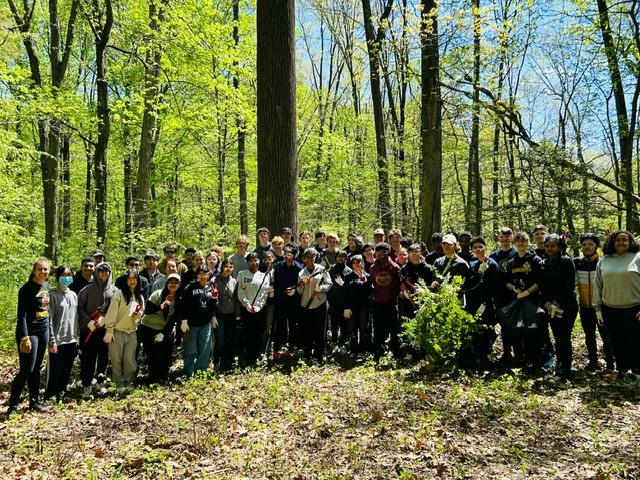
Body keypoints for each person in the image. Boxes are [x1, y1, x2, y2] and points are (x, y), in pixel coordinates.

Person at [594, 230, 640, 385]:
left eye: (625, 240)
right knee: (617, 342)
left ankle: (636, 373)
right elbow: (598, 286)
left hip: (634, 309)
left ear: (631, 242)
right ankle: (622, 371)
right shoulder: (604, 260)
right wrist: (598, 310)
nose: (621, 242)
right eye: (617, 240)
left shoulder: (638, 257)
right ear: (612, 242)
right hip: (610, 309)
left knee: (635, 342)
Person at [7, 259, 52, 414]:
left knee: (37, 368)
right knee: (27, 369)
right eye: (40, 269)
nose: (43, 272)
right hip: (30, 333)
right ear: (34, 270)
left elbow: (46, 311)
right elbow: (22, 316)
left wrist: (49, 332)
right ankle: (12, 406)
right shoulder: (26, 289)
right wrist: (24, 337)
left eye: (46, 269)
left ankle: (34, 402)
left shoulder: (45, 286)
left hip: (43, 331)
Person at [540, 234, 578, 382]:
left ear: (559, 247)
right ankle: (561, 368)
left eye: (553, 246)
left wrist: (556, 303)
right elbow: (541, 287)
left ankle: (564, 371)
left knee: (563, 338)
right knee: (557, 338)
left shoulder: (567, 262)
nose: (550, 249)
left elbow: (569, 285)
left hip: (566, 306)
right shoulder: (542, 263)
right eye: (547, 246)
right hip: (549, 307)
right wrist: (547, 304)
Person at [574, 233, 615, 371]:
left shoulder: (604, 262)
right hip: (585, 306)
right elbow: (561, 261)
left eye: (591, 244)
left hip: (602, 307)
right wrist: (563, 245)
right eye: (584, 244)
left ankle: (610, 364)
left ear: (596, 246)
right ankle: (593, 362)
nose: (587, 247)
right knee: (589, 337)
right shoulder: (577, 262)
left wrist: (610, 241)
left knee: (607, 337)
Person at [77, 262, 118, 398]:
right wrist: (87, 321)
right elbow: (79, 308)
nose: (104, 273)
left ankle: (100, 383)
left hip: (106, 331)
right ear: (97, 272)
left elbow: (117, 310)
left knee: (103, 359)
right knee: (88, 359)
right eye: (101, 270)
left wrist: (105, 318)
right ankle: (87, 385)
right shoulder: (87, 290)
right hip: (89, 331)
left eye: (107, 270)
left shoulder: (115, 291)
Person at [504, 231, 543, 371]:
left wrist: (527, 292)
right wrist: (514, 290)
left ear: (527, 242)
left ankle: (535, 361)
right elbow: (506, 281)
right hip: (517, 301)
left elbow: (540, 281)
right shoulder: (512, 261)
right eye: (518, 241)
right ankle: (519, 359)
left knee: (532, 332)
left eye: (523, 241)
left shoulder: (534, 259)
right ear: (514, 243)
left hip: (532, 301)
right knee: (517, 331)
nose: (520, 244)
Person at [103, 269, 145, 393]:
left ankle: (129, 381)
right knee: (116, 360)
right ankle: (119, 384)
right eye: (129, 279)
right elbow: (111, 314)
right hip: (116, 332)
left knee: (130, 360)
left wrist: (137, 316)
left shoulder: (140, 296)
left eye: (134, 279)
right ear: (126, 281)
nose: (132, 281)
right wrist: (109, 330)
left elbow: (139, 315)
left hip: (132, 332)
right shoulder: (119, 294)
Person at [44, 265, 79, 402]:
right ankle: (49, 395)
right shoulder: (52, 296)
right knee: (54, 370)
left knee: (66, 369)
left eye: (69, 274)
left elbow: (75, 317)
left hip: (71, 339)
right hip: (57, 340)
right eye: (63, 275)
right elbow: (49, 320)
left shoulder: (73, 295)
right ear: (57, 277)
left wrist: (77, 337)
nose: (66, 278)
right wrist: (51, 341)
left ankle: (61, 394)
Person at [464, 237, 499, 370]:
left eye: (480, 247)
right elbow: (468, 285)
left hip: (487, 305)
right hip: (473, 305)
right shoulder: (472, 265)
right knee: (474, 334)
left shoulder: (493, 264)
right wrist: (479, 272)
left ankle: (486, 364)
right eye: (475, 248)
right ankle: (472, 362)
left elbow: (494, 287)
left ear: (485, 248)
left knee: (486, 334)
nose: (478, 250)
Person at [138, 273, 181, 384]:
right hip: (148, 327)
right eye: (171, 282)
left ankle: (163, 378)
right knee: (153, 355)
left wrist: (163, 333)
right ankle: (153, 380)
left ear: (179, 285)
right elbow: (147, 310)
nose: (173, 284)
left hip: (163, 329)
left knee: (166, 354)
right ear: (167, 283)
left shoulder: (178, 299)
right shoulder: (157, 294)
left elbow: (173, 319)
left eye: (176, 283)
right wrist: (161, 306)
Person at [179, 266, 218, 376]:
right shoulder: (190, 288)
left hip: (205, 324)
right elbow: (183, 305)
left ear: (208, 275)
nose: (202, 276)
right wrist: (184, 320)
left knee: (205, 349)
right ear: (197, 276)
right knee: (191, 350)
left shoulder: (211, 288)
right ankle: (190, 373)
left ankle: (201, 372)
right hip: (191, 325)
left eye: (204, 274)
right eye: (200, 274)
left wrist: (214, 302)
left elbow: (212, 306)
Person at [297, 248, 333, 361]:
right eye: (307, 257)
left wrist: (321, 288)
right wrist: (302, 285)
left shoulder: (322, 269)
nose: (309, 259)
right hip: (306, 305)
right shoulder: (301, 273)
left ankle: (318, 355)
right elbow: (299, 291)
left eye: (312, 257)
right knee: (307, 330)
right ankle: (307, 354)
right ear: (304, 259)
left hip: (319, 304)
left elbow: (329, 283)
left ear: (315, 258)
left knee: (319, 330)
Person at [490, 227, 518, 365]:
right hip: (500, 296)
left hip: (516, 295)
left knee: (516, 326)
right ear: (498, 238)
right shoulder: (494, 255)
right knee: (505, 326)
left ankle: (520, 354)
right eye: (502, 236)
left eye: (508, 236)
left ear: (511, 238)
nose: (505, 239)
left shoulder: (517, 253)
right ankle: (507, 353)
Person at [237, 253, 271, 365]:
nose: (254, 263)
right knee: (246, 334)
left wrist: (259, 306)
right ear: (247, 262)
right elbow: (240, 291)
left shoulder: (264, 276)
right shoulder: (242, 274)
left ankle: (255, 359)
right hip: (246, 310)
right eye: (251, 260)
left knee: (258, 334)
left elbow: (265, 293)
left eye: (256, 260)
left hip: (260, 310)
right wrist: (247, 304)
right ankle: (245, 359)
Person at [370, 242, 401, 356]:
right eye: (379, 253)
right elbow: (372, 282)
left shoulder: (395, 267)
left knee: (393, 328)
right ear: (376, 254)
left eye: (384, 253)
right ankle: (378, 349)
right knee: (378, 328)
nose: (382, 255)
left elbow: (399, 284)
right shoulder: (373, 268)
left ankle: (395, 350)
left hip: (391, 302)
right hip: (377, 302)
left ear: (388, 253)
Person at [273, 245, 303, 354]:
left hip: (294, 301)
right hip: (280, 300)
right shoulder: (279, 266)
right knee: (280, 325)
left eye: (289, 254)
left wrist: (294, 291)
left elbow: (300, 285)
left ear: (294, 256)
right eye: (285, 253)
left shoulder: (299, 268)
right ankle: (277, 348)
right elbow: (276, 282)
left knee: (293, 324)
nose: (286, 256)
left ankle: (291, 347)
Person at [210, 260, 238, 370]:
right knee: (219, 340)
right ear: (222, 267)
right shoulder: (214, 280)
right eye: (226, 266)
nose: (228, 269)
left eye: (231, 267)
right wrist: (212, 315)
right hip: (219, 315)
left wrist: (237, 315)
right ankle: (216, 361)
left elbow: (236, 299)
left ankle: (226, 362)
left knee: (228, 340)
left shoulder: (234, 281)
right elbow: (211, 299)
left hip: (230, 314)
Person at [343, 255, 373, 353]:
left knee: (364, 328)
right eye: (354, 263)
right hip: (351, 307)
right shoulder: (348, 276)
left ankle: (363, 350)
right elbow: (345, 292)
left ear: (362, 263)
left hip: (364, 307)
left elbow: (370, 293)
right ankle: (353, 349)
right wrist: (346, 307)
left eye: (359, 262)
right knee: (352, 328)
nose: (357, 265)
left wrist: (365, 282)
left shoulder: (367, 276)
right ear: (351, 265)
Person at [327, 250, 352, 345]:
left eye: (343, 256)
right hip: (333, 301)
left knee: (344, 324)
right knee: (333, 323)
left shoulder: (349, 271)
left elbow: (350, 288)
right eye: (338, 256)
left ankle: (342, 343)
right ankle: (334, 341)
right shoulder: (331, 269)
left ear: (346, 258)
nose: (340, 258)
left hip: (344, 302)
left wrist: (343, 284)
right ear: (336, 258)